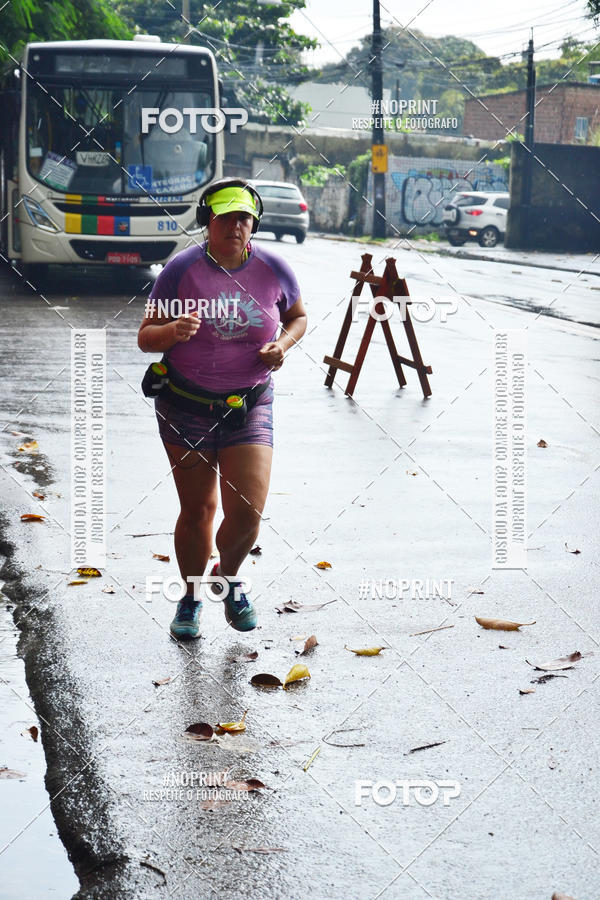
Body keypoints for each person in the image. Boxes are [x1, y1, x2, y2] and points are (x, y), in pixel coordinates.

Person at [137, 178, 307, 639]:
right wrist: (173, 331)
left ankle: (227, 576)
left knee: (248, 509)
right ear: (207, 221)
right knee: (198, 510)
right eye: (226, 216)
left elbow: (297, 317)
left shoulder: (274, 268)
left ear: (254, 224)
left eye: (244, 218)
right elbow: (145, 336)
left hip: (250, 402)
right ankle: (190, 599)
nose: (236, 225)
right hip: (185, 404)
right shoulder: (180, 271)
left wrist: (283, 346)